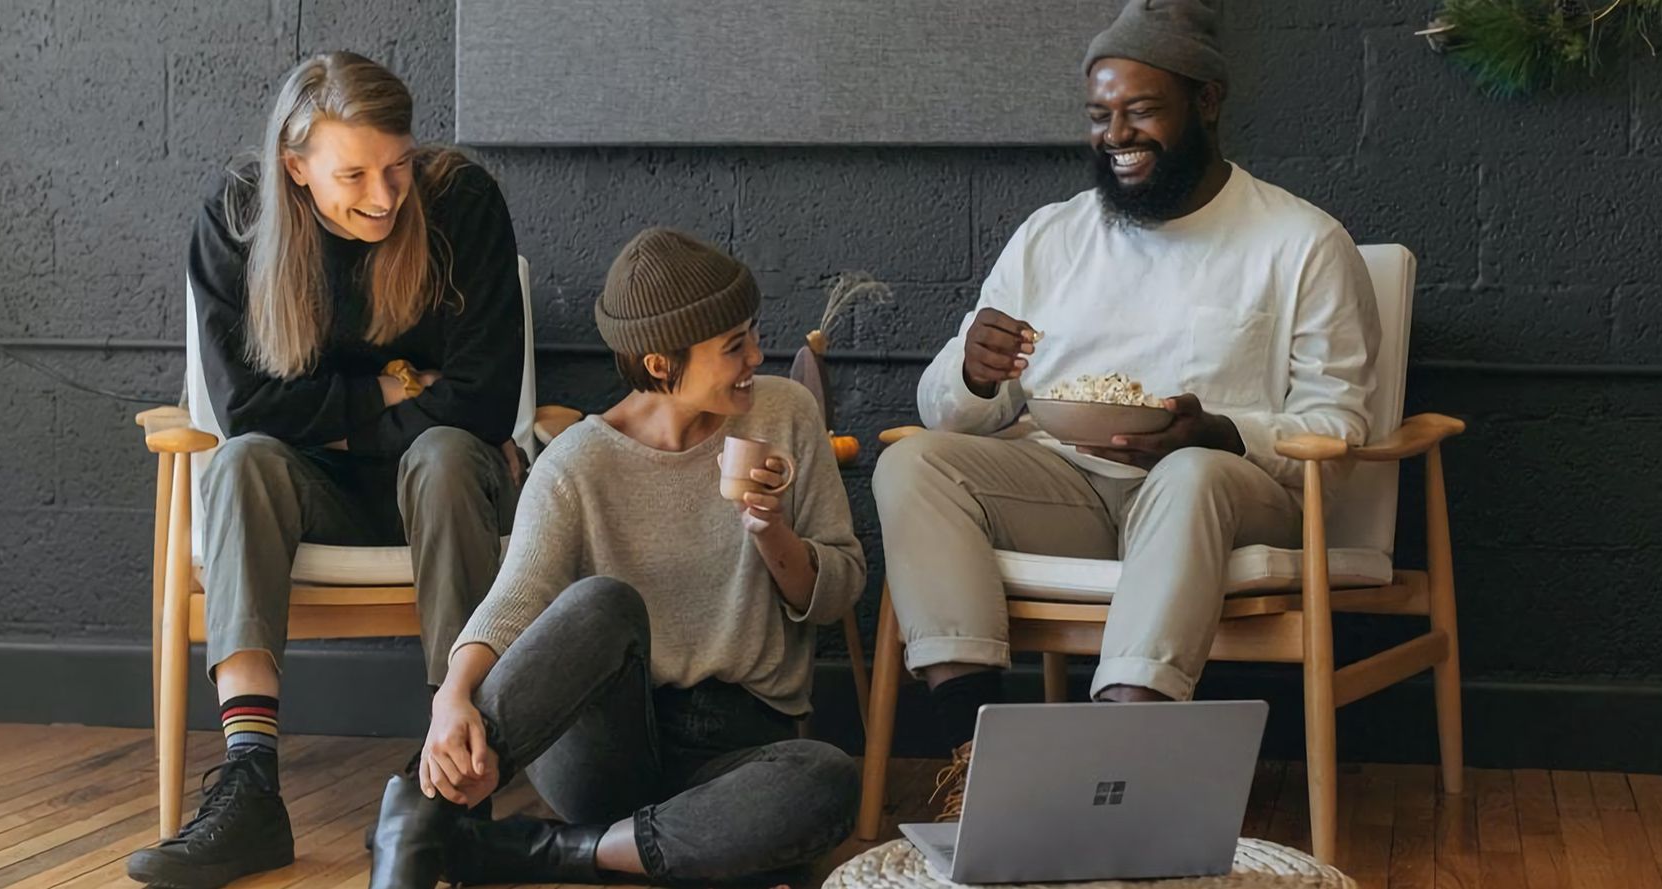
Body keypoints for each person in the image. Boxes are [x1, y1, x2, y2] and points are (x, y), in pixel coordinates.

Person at [871, 0, 1381, 817]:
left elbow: (1339, 424)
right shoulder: (1051, 235)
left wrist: (1222, 433)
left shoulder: (1302, 242)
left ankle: (1115, 765)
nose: (1117, 134)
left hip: (1228, 494)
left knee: (1189, 474)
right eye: (1101, 115)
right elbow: (947, 415)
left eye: (1142, 111)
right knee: (912, 462)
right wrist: (972, 372)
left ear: (1206, 102)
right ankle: (979, 765)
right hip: (1067, 484)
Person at [125, 51, 525, 889]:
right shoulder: (237, 217)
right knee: (239, 465)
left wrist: (331, 417)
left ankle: (453, 776)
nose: (385, 196)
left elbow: (483, 406)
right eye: (355, 174)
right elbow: (242, 410)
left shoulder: (463, 204)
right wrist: (393, 389)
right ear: (295, 166)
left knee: (448, 453)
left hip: (450, 490)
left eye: (398, 166)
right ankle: (250, 783)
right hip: (313, 497)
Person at [364, 228, 865, 889]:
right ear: (661, 363)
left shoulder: (786, 412)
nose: (756, 354)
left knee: (828, 781)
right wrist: (452, 697)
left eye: (752, 332)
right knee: (602, 603)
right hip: (605, 746)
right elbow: (514, 600)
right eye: (732, 345)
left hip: (737, 744)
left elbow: (841, 590)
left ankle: (545, 850)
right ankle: (421, 816)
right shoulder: (577, 463)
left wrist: (770, 529)